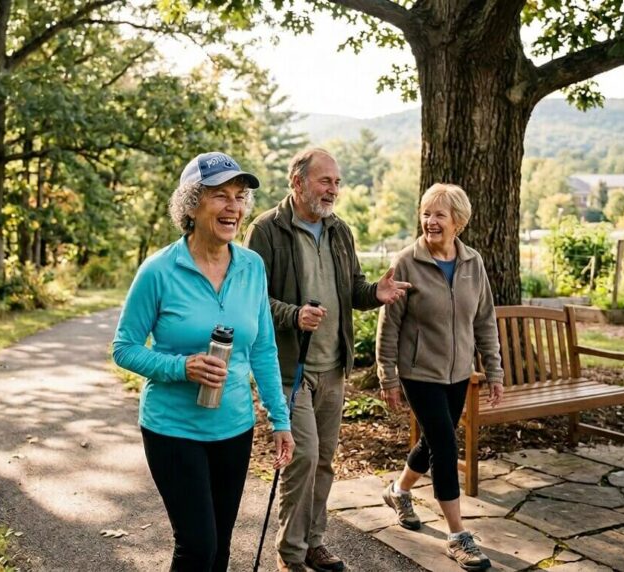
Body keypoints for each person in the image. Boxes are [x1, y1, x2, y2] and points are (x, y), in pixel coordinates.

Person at [112, 151, 295, 572]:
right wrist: (182, 367)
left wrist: (280, 419)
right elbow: (124, 347)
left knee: (221, 548)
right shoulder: (158, 270)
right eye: (220, 196)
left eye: (239, 197)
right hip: (173, 429)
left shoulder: (252, 266)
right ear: (191, 205)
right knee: (197, 547)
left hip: (234, 426)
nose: (233, 207)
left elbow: (263, 348)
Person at [245, 147, 410, 572]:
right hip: (288, 368)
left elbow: (352, 289)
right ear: (297, 183)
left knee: (323, 460)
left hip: (332, 368)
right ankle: (291, 554)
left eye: (336, 182)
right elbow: (251, 299)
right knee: (302, 456)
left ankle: (314, 542)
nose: (333, 190)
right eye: (325, 181)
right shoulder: (266, 230)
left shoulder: (340, 231)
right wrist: (293, 315)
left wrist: (376, 293)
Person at [376, 183, 505, 571]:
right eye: (426, 213)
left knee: (434, 443)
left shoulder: (473, 263)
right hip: (419, 373)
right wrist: (388, 377)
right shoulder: (406, 263)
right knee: (446, 447)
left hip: (458, 373)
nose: (430, 222)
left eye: (439, 215)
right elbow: (389, 326)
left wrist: (494, 370)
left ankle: (398, 491)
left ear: (458, 223)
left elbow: (484, 320)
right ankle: (457, 535)